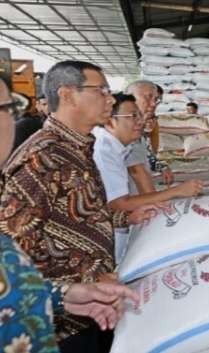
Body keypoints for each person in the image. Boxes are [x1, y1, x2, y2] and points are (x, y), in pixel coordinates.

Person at [0, 61, 156, 352]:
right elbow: (17, 242)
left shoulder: (77, 147)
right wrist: (80, 284)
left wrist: (124, 217)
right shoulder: (43, 157)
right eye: (101, 91)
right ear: (68, 95)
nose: (110, 99)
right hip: (62, 322)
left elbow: (78, 210)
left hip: (89, 304)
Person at [92, 93, 203, 262]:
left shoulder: (117, 147)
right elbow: (119, 203)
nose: (140, 121)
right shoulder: (104, 151)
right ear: (109, 121)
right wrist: (176, 192)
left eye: (139, 115)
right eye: (132, 116)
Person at [124, 80, 172, 192]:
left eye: (156, 100)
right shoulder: (125, 130)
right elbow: (136, 171)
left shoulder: (139, 129)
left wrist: (163, 167)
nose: (154, 104)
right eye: (148, 97)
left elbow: (147, 155)